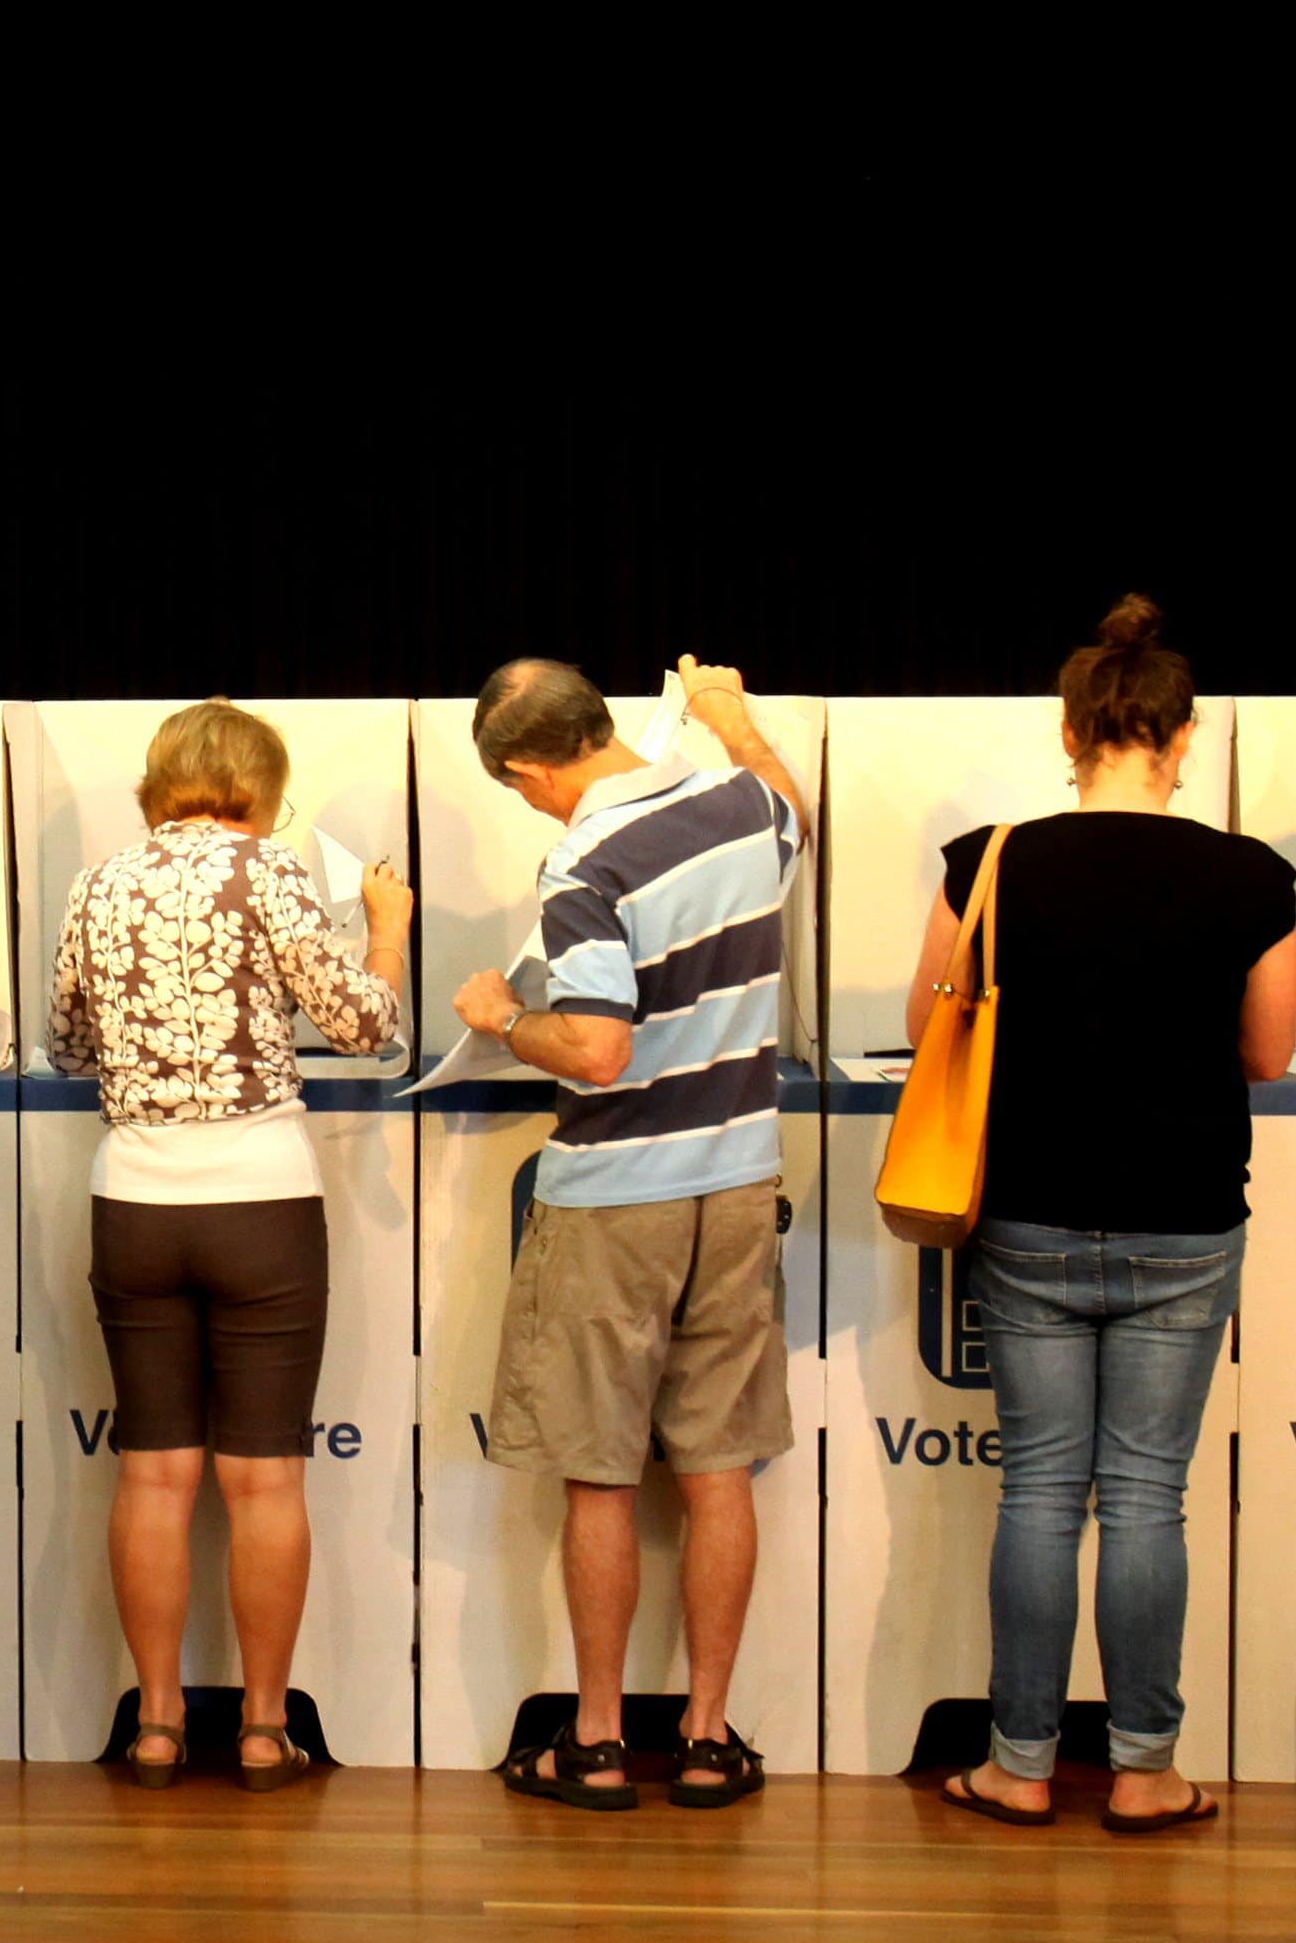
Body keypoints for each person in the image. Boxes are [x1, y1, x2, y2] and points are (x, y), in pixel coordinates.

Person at [906, 600, 1296, 1837]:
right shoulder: (1250, 875)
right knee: (1143, 1498)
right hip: (1183, 1221)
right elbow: (1271, 1052)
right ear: (1180, 736)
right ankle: (1144, 1770)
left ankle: (1017, 1763)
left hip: (1024, 1214)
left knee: (1036, 1492)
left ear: (1071, 731)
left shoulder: (993, 859)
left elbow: (931, 1028)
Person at [453, 655, 806, 1811]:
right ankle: (707, 1736)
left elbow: (599, 1049)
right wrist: (731, 717)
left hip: (616, 1195)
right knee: (717, 1467)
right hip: (742, 1179)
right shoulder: (739, 801)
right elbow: (792, 812)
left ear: (531, 769)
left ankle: (598, 1741)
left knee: (600, 1477)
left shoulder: (582, 863)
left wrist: (505, 1018)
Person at [41, 703, 407, 1788]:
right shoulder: (272, 870)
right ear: (260, 786)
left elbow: (66, 1043)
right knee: (265, 1483)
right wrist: (386, 924)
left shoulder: (99, 883)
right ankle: (258, 1727)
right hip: (262, 1203)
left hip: (135, 1199)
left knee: (154, 1475)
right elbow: (365, 1025)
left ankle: (154, 1725)